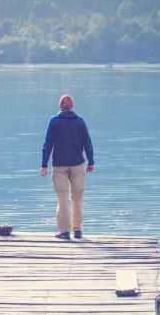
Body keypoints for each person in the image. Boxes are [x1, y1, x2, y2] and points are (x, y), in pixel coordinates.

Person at [41, 94, 95, 240]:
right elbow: (87, 143)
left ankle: (64, 232)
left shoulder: (54, 121)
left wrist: (44, 164)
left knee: (62, 198)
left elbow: (48, 145)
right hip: (77, 164)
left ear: (60, 106)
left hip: (59, 165)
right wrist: (91, 162)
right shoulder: (80, 121)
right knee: (77, 198)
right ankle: (77, 230)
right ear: (72, 106)